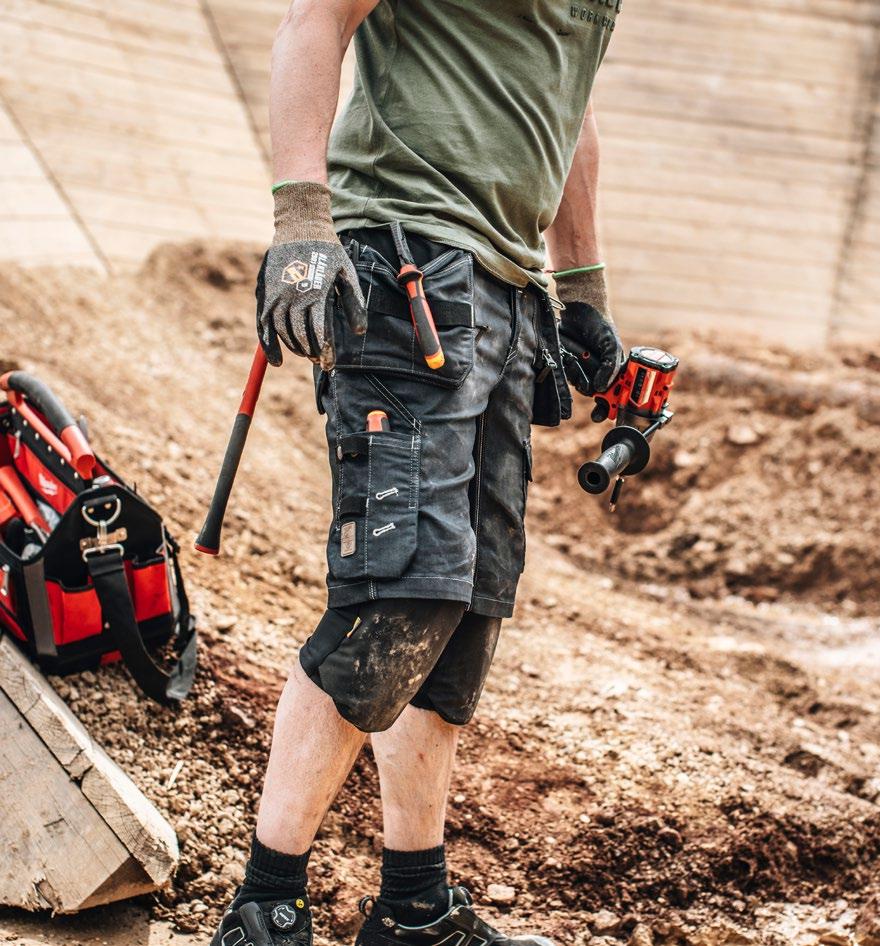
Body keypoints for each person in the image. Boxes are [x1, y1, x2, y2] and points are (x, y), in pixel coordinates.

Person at [210, 1, 623, 944]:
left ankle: (414, 908)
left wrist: (582, 283)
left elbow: (569, 99)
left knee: (466, 609)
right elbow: (314, 19)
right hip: (408, 266)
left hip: (510, 292)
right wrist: (301, 221)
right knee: (397, 595)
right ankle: (264, 907)